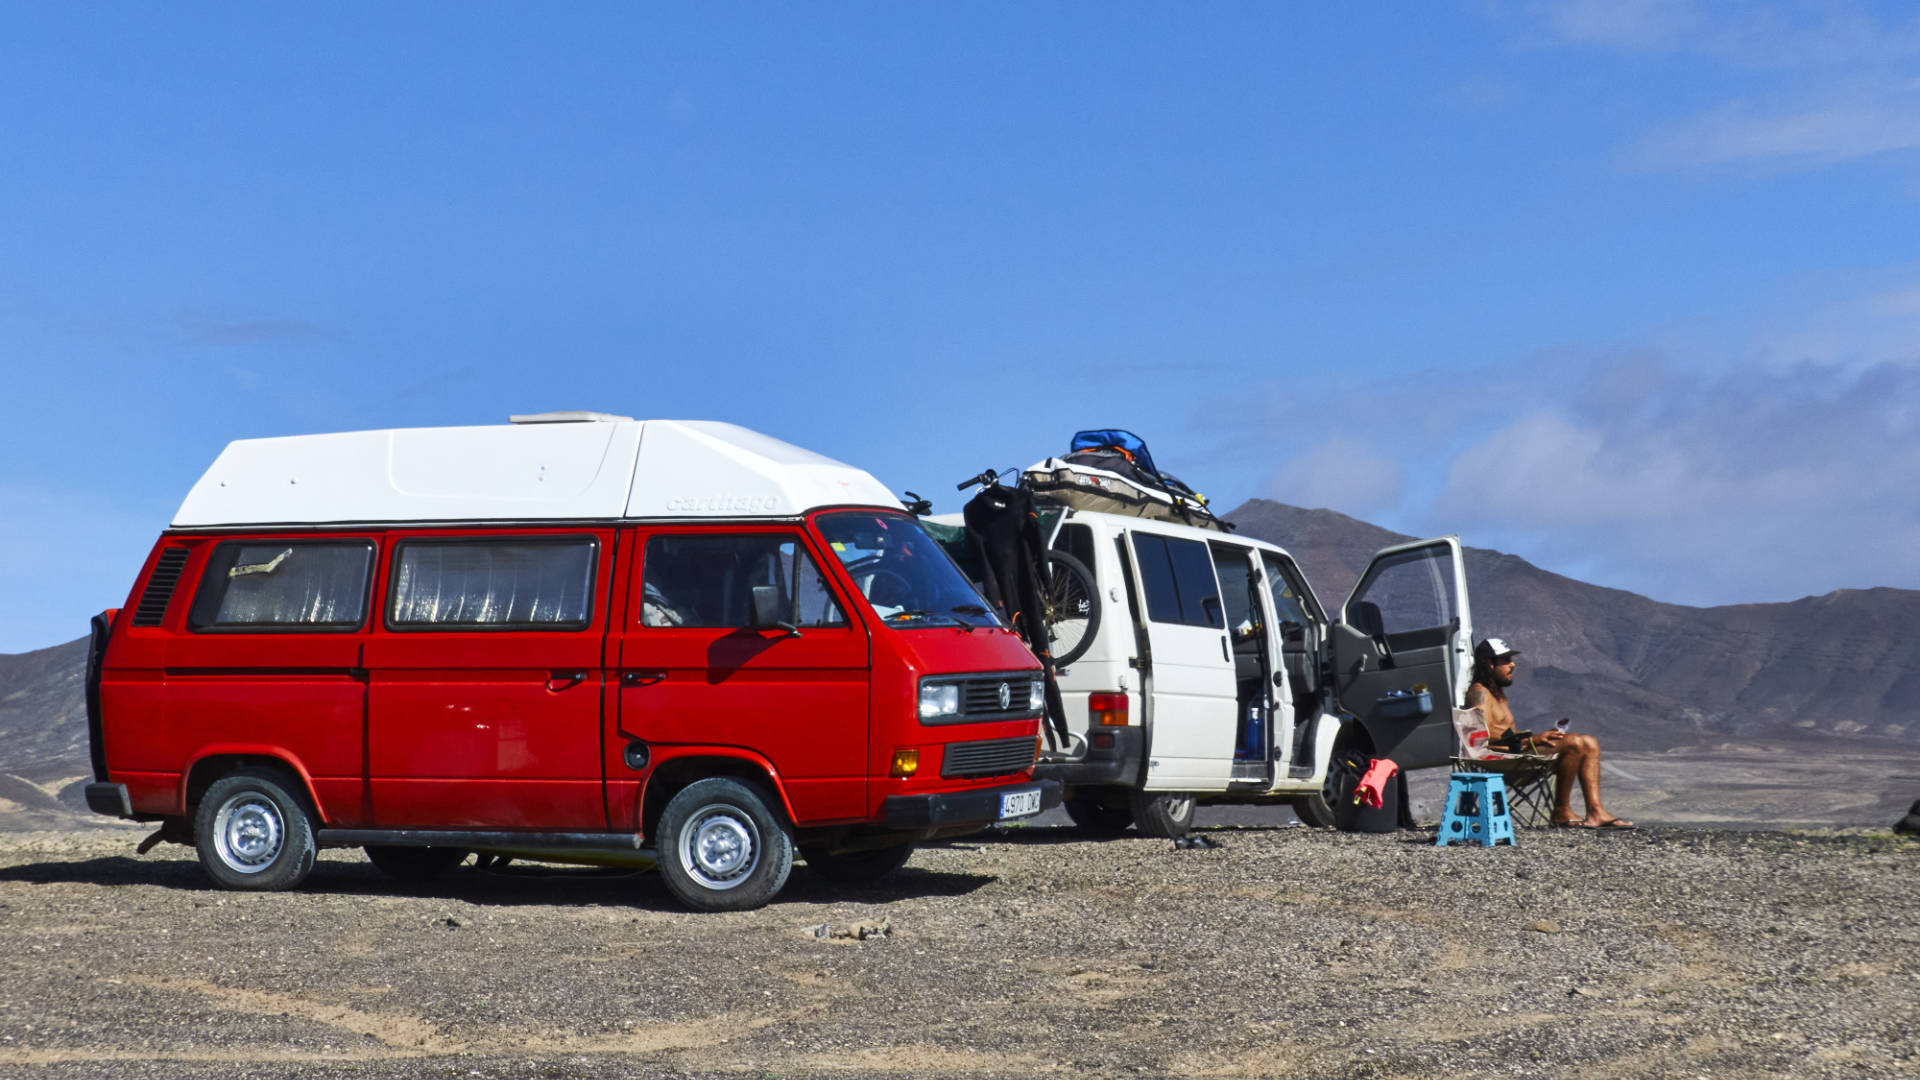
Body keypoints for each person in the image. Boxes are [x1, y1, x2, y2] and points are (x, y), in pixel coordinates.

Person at [1466, 637, 1634, 829]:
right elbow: (1480, 736)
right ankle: (1562, 811)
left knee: (1589, 742)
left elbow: (1505, 732)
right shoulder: (1479, 693)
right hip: (1503, 761)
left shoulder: (1497, 695)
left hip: (1516, 754)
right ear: (1489, 664)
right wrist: (1532, 740)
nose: (1512, 665)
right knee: (1574, 743)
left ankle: (1596, 811)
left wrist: (1539, 738)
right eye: (1505, 660)